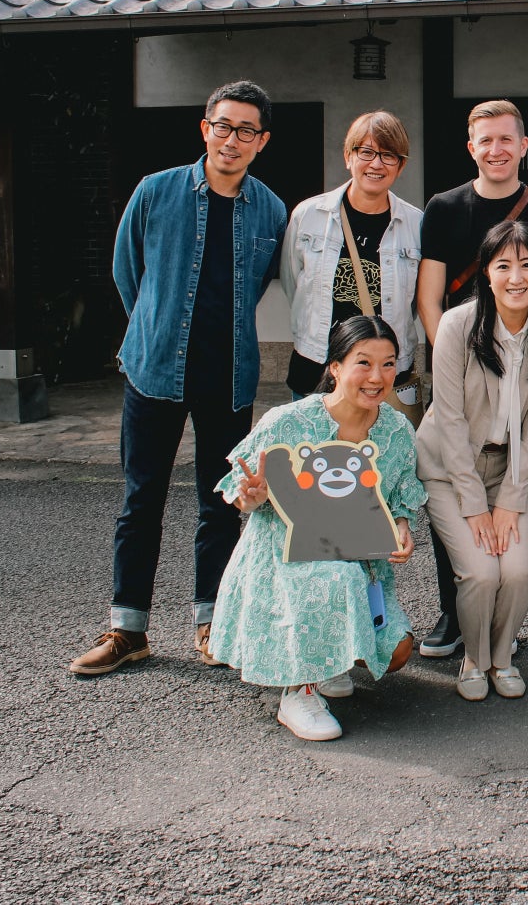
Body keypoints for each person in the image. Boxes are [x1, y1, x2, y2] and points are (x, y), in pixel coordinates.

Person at [71, 80, 286, 676]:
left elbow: (261, 281)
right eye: (223, 125)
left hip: (228, 375)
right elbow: (127, 272)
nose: (232, 139)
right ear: (204, 128)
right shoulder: (156, 192)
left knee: (220, 505)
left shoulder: (270, 209)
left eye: (247, 130)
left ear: (261, 141)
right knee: (141, 499)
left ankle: (211, 623)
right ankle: (127, 630)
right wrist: (156, 328)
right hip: (154, 368)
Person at [207, 316, 424, 742]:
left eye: (388, 364)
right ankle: (298, 693)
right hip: (286, 555)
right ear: (336, 367)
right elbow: (241, 491)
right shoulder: (286, 423)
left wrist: (402, 527)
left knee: (397, 651)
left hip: (357, 555)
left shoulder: (397, 430)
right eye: (363, 363)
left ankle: (326, 662)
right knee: (336, 577)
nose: (377, 377)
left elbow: (400, 499)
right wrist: (251, 496)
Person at [417, 220, 528, 702]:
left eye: (527, 264)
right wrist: (474, 504)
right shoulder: (456, 326)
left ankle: (501, 657)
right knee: (481, 573)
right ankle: (474, 659)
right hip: (447, 468)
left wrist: (509, 497)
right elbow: (448, 418)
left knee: (518, 571)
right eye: (503, 265)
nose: (515, 277)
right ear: (487, 272)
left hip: (510, 468)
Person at [414, 100, 528, 660]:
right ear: (471, 148)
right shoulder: (444, 207)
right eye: (484, 140)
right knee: (453, 484)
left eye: (506, 140)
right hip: (459, 366)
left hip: (522, 365)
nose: (496, 150)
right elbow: (429, 295)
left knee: (508, 483)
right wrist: (459, 354)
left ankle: (500, 621)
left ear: (522, 145)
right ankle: (454, 610)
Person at [280, 111, 422, 402]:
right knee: (314, 448)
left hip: (383, 377)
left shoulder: (416, 224)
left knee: (382, 448)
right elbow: (292, 281)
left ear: (401, 165)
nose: (376, 164)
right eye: (366, 151)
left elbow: (418, 301)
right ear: (348, 156)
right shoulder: (308, 215)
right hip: (316, 368)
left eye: (388, 155)